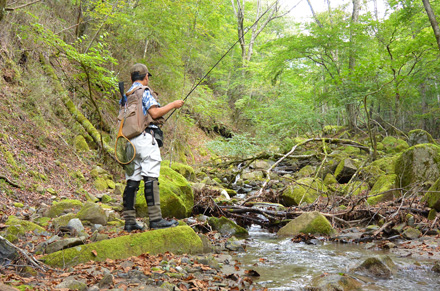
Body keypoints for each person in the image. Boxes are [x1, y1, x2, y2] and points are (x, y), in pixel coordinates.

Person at [121, 63, 184, 232]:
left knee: (132, 181)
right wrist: (173, 104)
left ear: (131, 78)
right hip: (145, 139)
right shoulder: (144, 92)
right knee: (151, 176)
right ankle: (155, 219)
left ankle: (129, 221)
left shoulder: (126, 95)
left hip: (128, 142)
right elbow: (155, 113)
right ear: (146, 77)